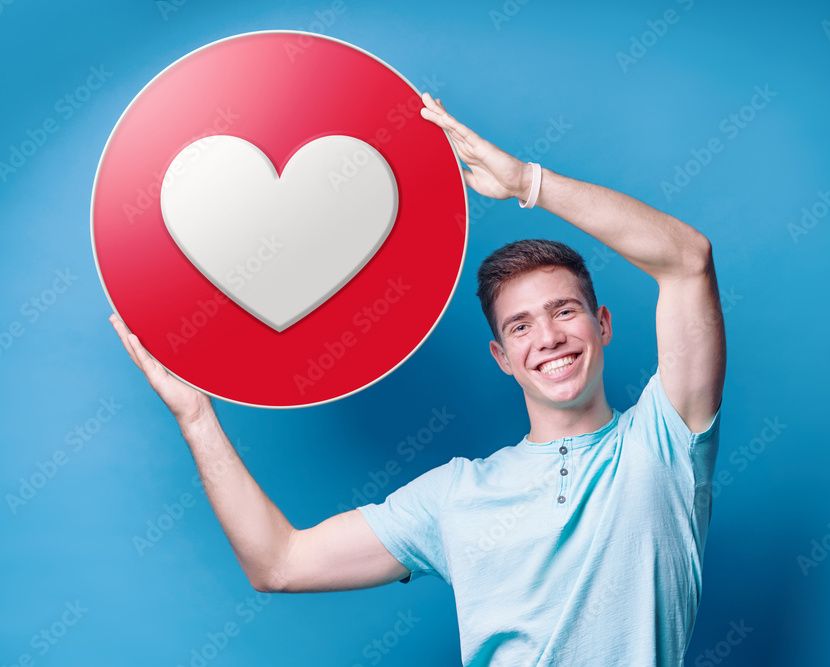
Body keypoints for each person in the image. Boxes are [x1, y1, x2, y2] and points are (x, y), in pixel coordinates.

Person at [109, 92, 725, 666]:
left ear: (603, 324)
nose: (549, 337)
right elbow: (280, 563)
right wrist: (196, 417)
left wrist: (526, 183)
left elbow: (686, 259)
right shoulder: (455, 497)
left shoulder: (665, 441)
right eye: (520, 327)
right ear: (501, 358)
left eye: (564, 311)